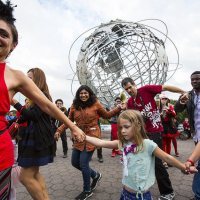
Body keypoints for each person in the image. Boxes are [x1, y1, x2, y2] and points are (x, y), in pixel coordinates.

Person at [0, 1, 84, 199]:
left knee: (29, 176)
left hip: (25, 143)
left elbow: (45, 107)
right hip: (29, 139)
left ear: (13, 44)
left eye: (4, 34)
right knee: (32, 175)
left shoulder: (15, 77)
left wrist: (73, 126)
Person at [85, 110, 197, 200]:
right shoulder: (124, 144)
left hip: (140, 196)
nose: (122, 131)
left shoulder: (147, 145)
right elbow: (101, 142)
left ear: (137, 126)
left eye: (126, 127)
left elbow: (167, 157)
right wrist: (84, 137)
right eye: (120, 128)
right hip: (124, 192)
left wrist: (183, 167)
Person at [121, 77, 186, 200]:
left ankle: (168, 192)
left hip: (155, 131)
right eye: (126, 89)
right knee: (142, 161)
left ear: (134, 84)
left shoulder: (146, 90)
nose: (129, 90)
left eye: (130, 87)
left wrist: (182, 92)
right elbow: (132, 119)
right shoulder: (130, 102)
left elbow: (165, 87)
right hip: (142, 134)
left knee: (157, 162)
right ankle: (141, 187)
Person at [55, 85, 124, 200]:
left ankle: (87, 190)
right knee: (74, 162)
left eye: (85, 93)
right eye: (81, 93)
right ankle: (95, 175)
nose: (83, 95)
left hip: (92, 135)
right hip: (79, 136)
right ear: (78, 95)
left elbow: (106, 115)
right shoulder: (74, 106)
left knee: (83, 163)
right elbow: (68, 121)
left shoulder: (95, 103)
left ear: (89, 93)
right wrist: (59, 130)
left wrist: (118, 108)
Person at [175, 71, 200, 200]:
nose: (194, 81)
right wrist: (181, 101)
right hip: (197, 136)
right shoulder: (189, 95)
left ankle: (197, 194)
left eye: (197, 79)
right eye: (192, 80)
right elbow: (177, 109)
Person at [159, 94, 179, 159]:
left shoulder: (170, 106)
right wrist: (160, 114)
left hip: (169, 126)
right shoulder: (157, 107)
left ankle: (168, 158)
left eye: (165, 99)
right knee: (163, 143)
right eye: (163, 99)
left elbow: (174, 114)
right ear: (160, 100)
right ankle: (164, 159)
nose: (164, 100)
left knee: (168, 143)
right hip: (161, 126)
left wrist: (168, 110)